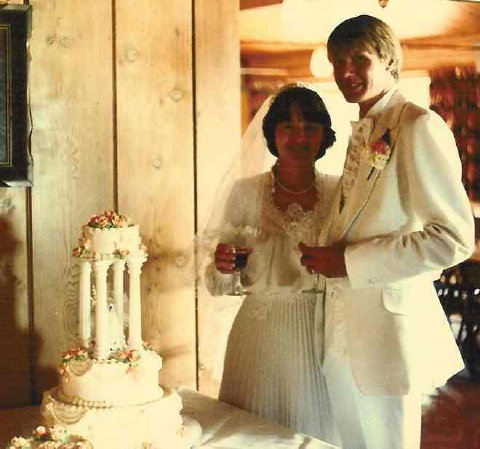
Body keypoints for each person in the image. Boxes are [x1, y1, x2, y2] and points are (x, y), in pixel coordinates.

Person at [299, 15, 475, 449]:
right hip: (339, 327)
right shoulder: (364, 129)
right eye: (337, 61)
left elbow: (453, 238)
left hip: (385, 329)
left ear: (390, 61)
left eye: (359, 59)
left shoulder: (418, 125)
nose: (345, 72)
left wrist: (349, 262)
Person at [204, 84, 340, 444]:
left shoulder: (340, 192)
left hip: (322, 332)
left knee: (315, 431)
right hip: (259, 333)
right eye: (288, 127)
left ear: (325, 134)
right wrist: (222, 265)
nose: (299, 137)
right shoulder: (246, 192)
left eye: (310, 126)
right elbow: (219, 283)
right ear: (272, 134)